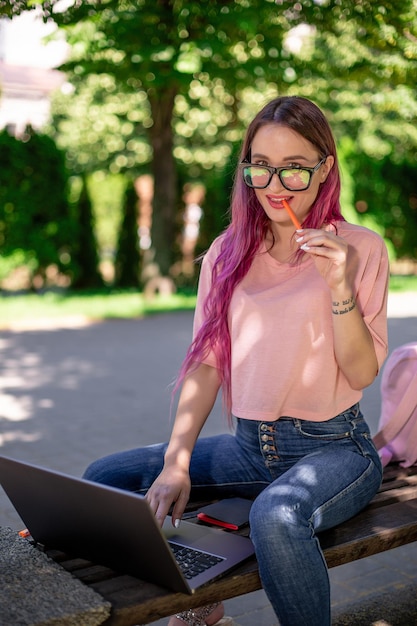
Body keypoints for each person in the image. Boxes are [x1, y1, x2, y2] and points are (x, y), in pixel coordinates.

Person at [83, 96, 389, 626]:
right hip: (250, 449)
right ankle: (201, 602)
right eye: (261, 167)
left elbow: (361, 373)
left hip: (336, 449)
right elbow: (207, 364)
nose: (275, 186)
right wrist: (176, 461)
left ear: (324, 170)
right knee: (106, 479)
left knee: (277, 513)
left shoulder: (359, 249)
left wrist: (339, 284)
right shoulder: (227, 253)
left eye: (294, 169)